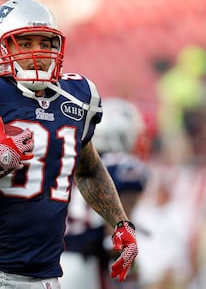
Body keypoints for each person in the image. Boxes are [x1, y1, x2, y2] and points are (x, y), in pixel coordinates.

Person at [0, 0, 138, 289]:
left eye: (46, 44)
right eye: (25, 43)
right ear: (0, 47)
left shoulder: (77, 98)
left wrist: (121, 223)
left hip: (44, 278)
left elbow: (89, 170)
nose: (38, 53)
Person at [60, 98, 149, 289]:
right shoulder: (122, 166)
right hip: (84, 264)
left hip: (49, 261)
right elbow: (117, 237)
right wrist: (133, 273)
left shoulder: (70, 160)